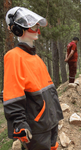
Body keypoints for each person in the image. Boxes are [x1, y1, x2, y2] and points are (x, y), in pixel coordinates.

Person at [4, 7, 63, 150]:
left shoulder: (35, 57)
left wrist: (55, 113)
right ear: (18, 29)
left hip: (50, 120)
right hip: (36, 125)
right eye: (31, 26)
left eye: (37, 26)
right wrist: (19, 123)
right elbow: (13, 93)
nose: (37, 29)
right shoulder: (14, 56)